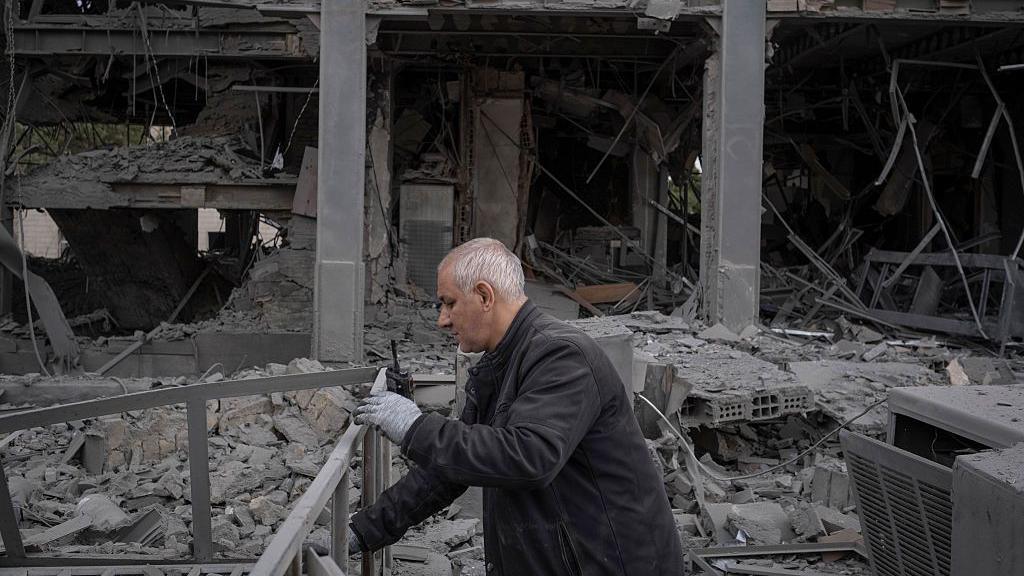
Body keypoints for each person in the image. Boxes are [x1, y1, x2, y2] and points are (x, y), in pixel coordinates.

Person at [351, 237, 682, 575]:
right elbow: (448, 471)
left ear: (484, 296)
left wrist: (415, 427)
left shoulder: (562, 355)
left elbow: (529, 456)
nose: (443, 320)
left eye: (449, 303)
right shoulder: (502, 362)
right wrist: (363, 530)